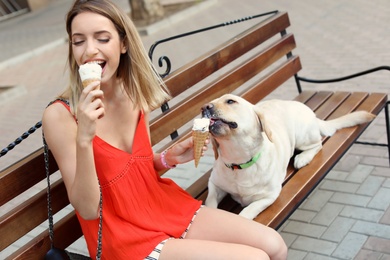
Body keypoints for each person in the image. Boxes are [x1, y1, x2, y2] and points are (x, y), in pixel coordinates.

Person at [42, 0, 288, 259]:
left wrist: (166, 159)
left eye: (102, 39)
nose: (89, 50)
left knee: (274, 245)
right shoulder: (61, 116)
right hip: (122, 237)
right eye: (78, 41)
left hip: (159, 205)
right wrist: (84, 139)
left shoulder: (134, 94)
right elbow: (89, 209)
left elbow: (134, 169)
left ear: (124, 44)